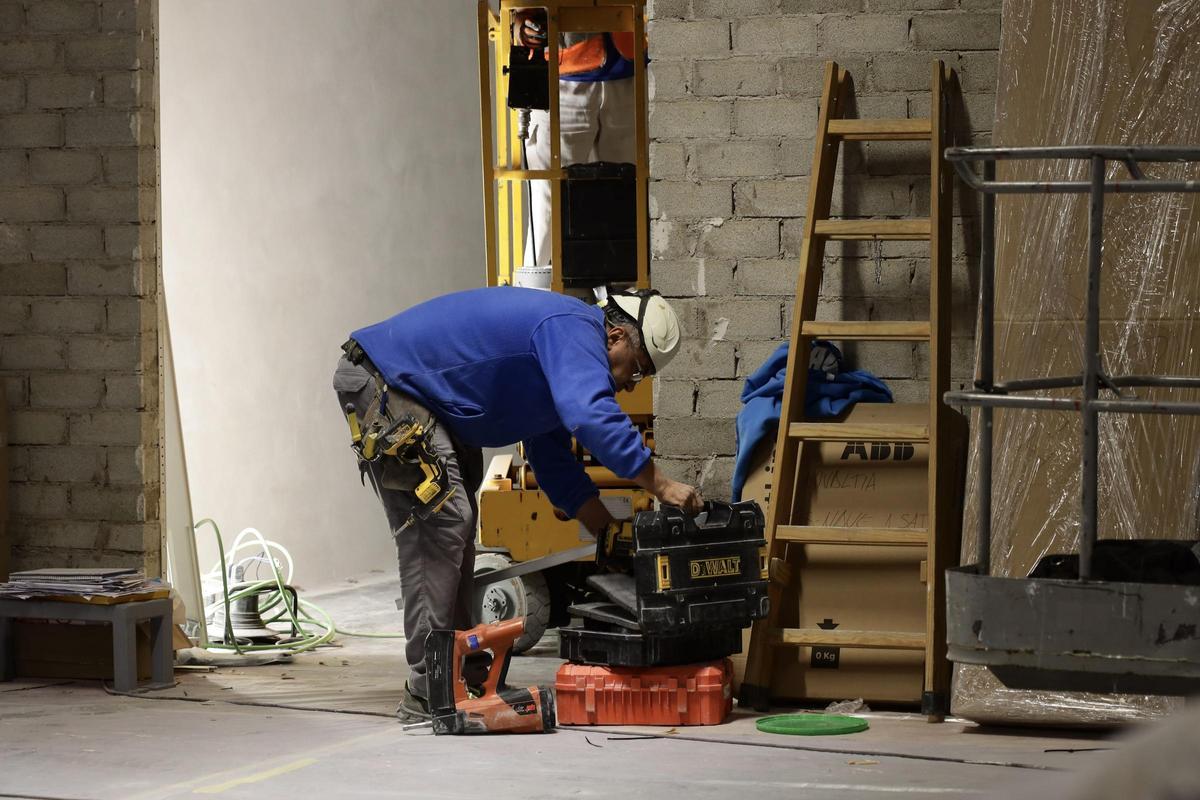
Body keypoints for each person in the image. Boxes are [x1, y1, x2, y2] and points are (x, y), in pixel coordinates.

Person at [332, 286, 702, 721]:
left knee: (454, 530)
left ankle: (459, 673)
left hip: (421, 396)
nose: (627, 386)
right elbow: (589, 414)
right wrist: (661, 486)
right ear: (616, 336)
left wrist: (605, 530)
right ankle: (427, 685)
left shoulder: (562, 351)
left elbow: (550, 455)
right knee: (442, 525)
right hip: (385, 381)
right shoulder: (573, 329)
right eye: (636, 371)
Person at [512, 9, 637, 267]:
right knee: (547, 208)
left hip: (628, 72)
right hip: (562, 76)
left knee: (626, 205)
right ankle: (534, 298)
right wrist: (520, 24)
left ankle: (626, 302)